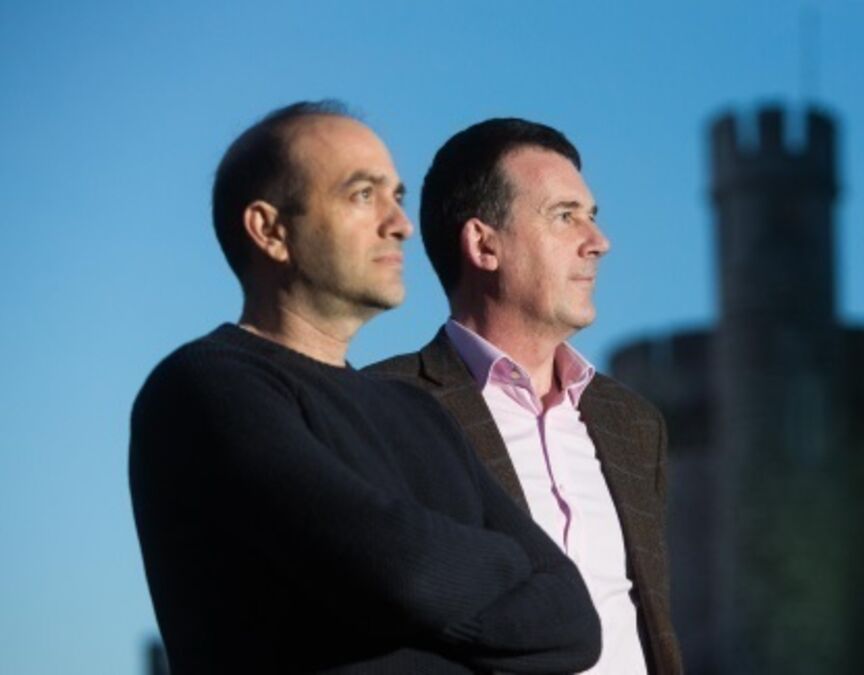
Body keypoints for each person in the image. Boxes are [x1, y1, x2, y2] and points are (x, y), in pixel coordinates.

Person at [128, 101, 601, 674]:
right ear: (270, 230)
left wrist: (429, 584)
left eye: (396, 197)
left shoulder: (420, 413)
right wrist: (501, 569)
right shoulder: (207, 388)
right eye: (362, 195)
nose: (399, 224)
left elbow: (575, 621)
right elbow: (406, 573)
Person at [366, 119, 681, 674]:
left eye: (592, 215)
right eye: (565, 216)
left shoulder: (634, 423)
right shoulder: (380, 408)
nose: (598, 242)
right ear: (484, 244)